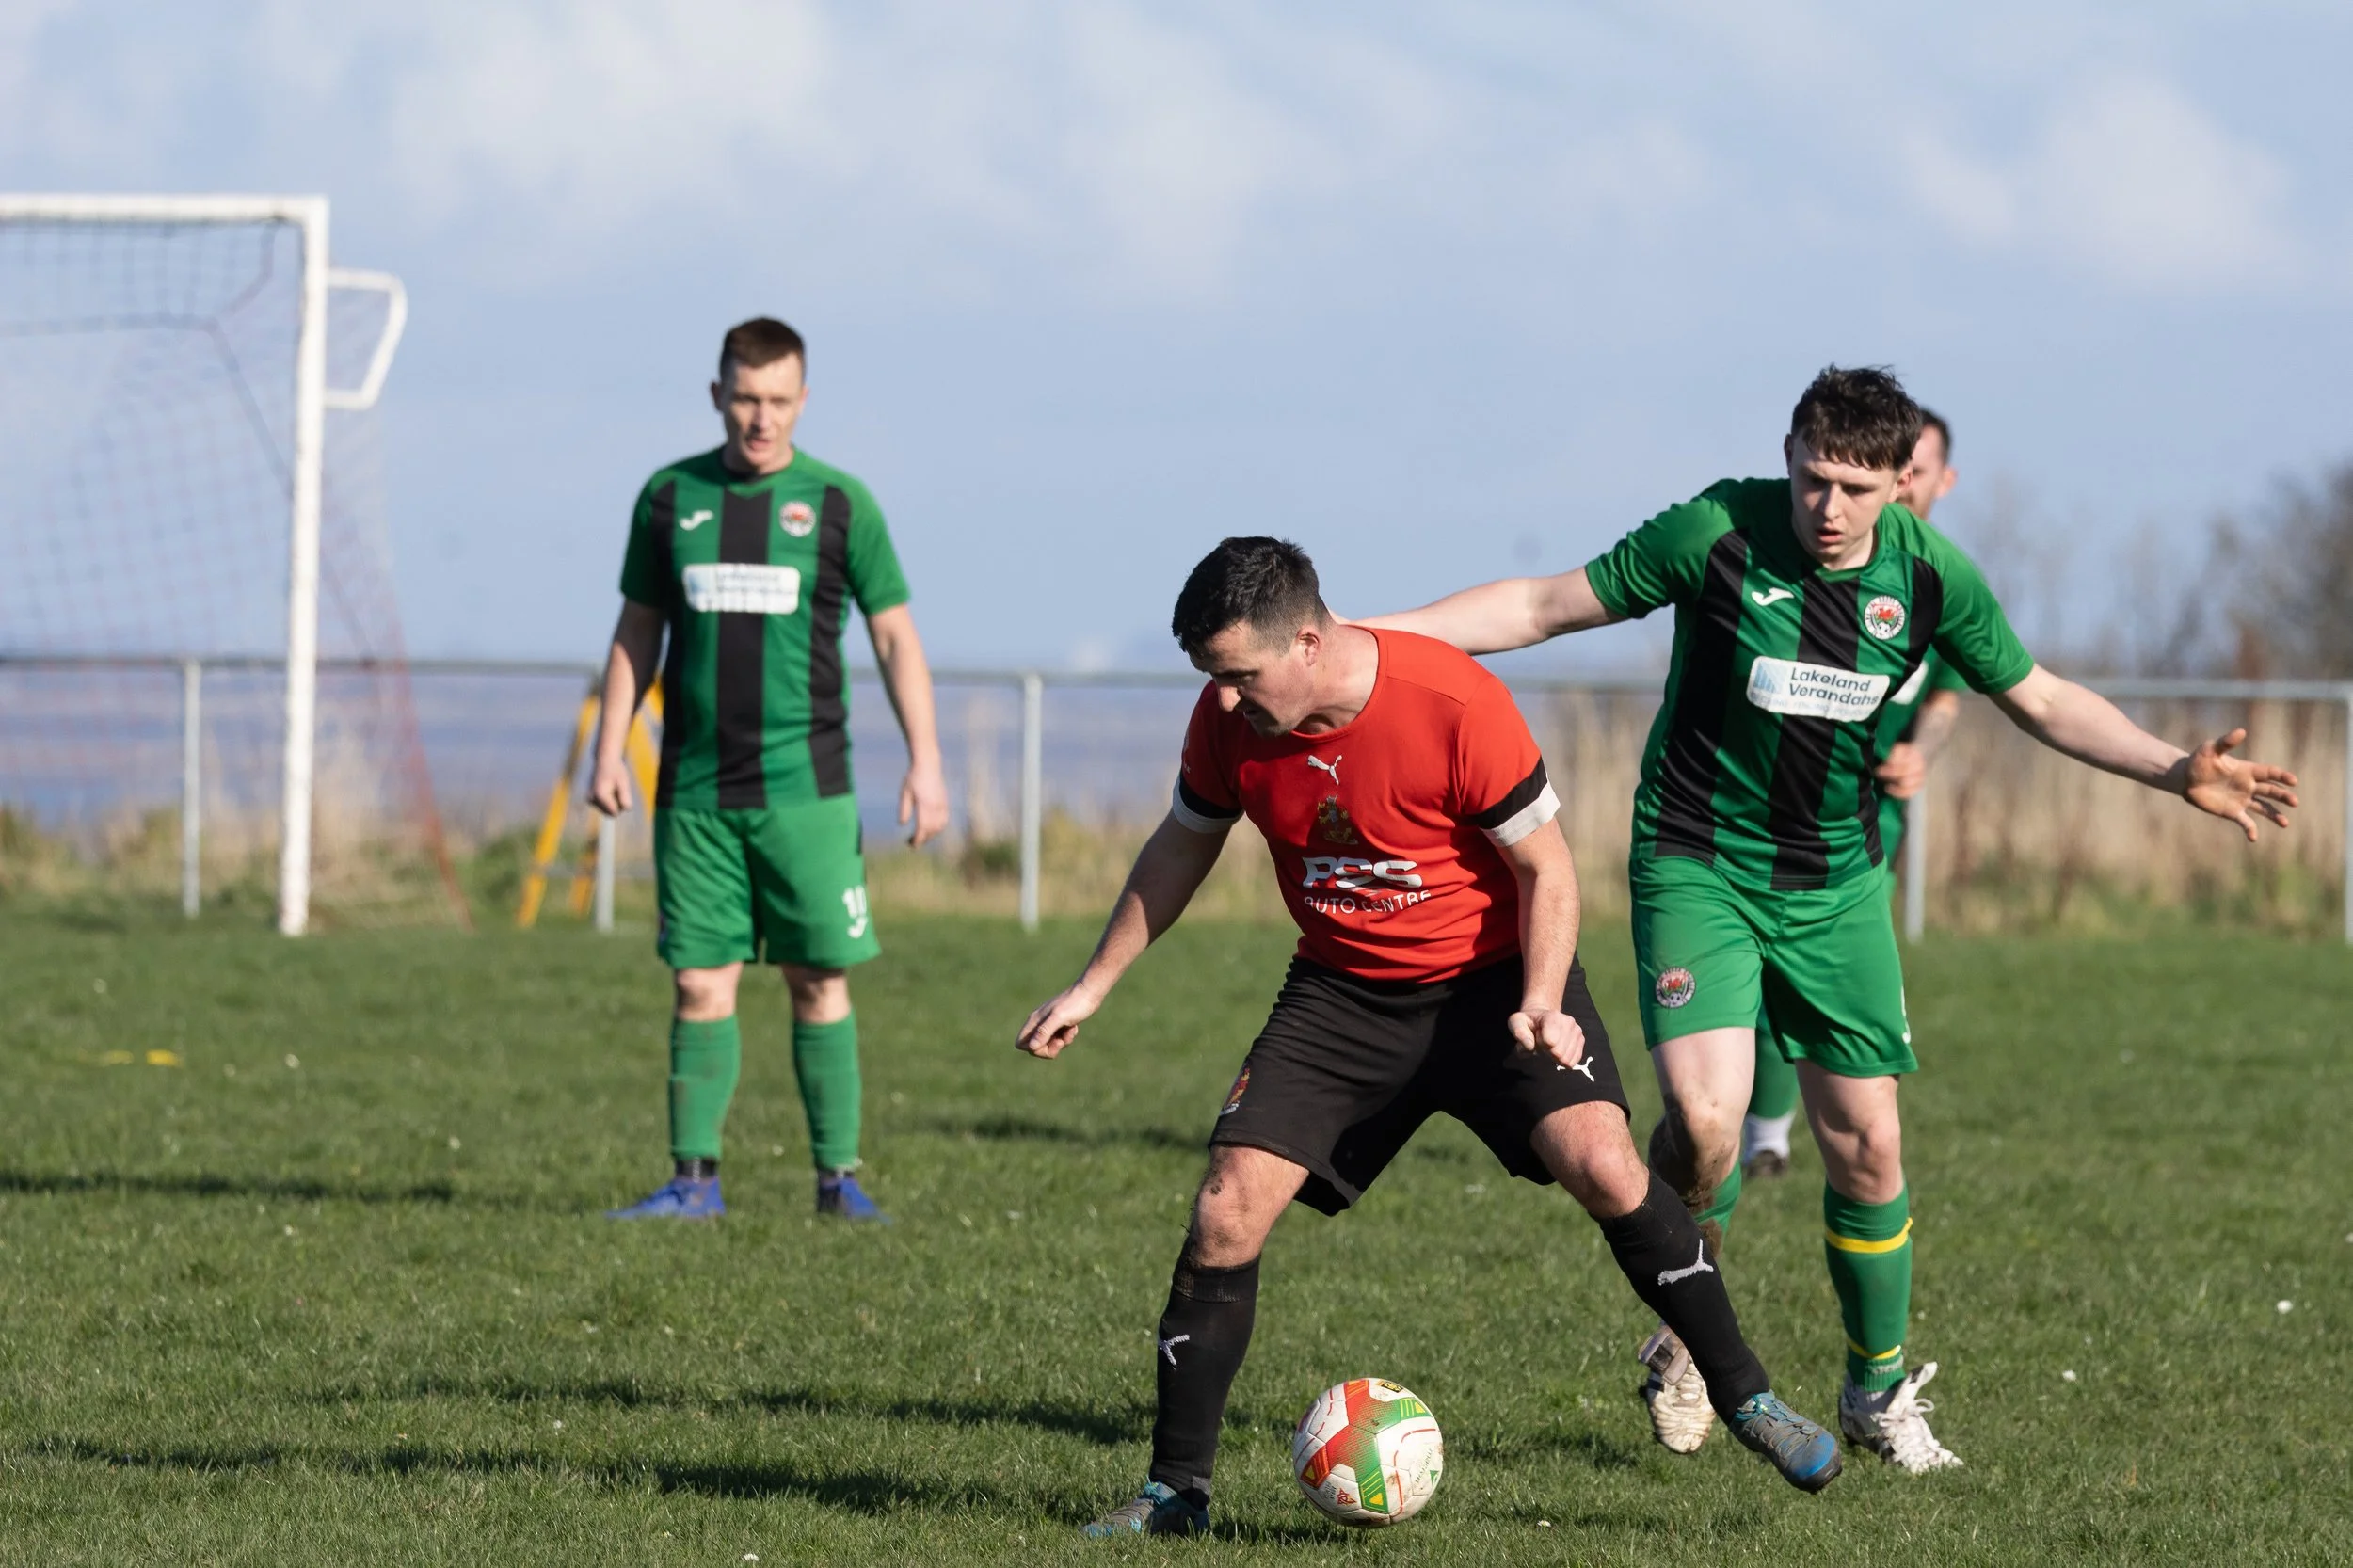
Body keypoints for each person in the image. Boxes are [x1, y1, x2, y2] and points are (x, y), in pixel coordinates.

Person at [1365, 367, 2297, 1472]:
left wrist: (2171, 768)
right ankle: (1686, 1323)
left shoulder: (1933, 576)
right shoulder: (1716, 528)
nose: (1828, 507)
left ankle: (1874, 1392)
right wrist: (1369, 642)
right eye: (1812, 478)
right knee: (1707, 1127)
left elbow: (2039, 696)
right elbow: (1538, 605)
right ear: (1789, 454)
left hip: (1836, 885)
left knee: (1867, 1144)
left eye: (1855, 487)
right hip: (1696, 861)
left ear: (1903, 482)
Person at [1018, 537, 1842, 1539]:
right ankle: (1173, 1493)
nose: (1224, 700)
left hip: (1497, 981)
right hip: (1341, 995)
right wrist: (1094, 983)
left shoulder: (1449, 702)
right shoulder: (1227, 722)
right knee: (1226, 1210)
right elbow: (1186, 837)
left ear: (1309, 641)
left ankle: (1746, 1396)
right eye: (1212, 679)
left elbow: (1549, 870)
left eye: (1239, 675)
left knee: (1606, 1163)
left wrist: (1542, 997)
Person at [590, 316, 949, 1222]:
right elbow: (639, 628)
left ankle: (838, 1183)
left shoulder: (839, 504)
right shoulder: (669, 498)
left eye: (778, 401)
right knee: (697, 983)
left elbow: (895, 634)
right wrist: (609, 743)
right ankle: (693, 1184)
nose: (761, 419)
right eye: (746, 398)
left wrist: (927, 761)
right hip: (696, 792)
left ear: (803, 400)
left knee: (817, 980)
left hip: (809, 792)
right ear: (717, 395)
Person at [1742, 408, 1963, 1181]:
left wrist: (1919, 755)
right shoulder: (1790, 559)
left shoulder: (1934, 578)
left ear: (1929, 479)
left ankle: (1816, 1133)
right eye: (1821, 479)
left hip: (1866, 818)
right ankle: (1762, 1134)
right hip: (1754, 823)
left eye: (1916, 475)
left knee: (1833, 1008)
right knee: (1764, 979)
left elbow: (1953, 696)